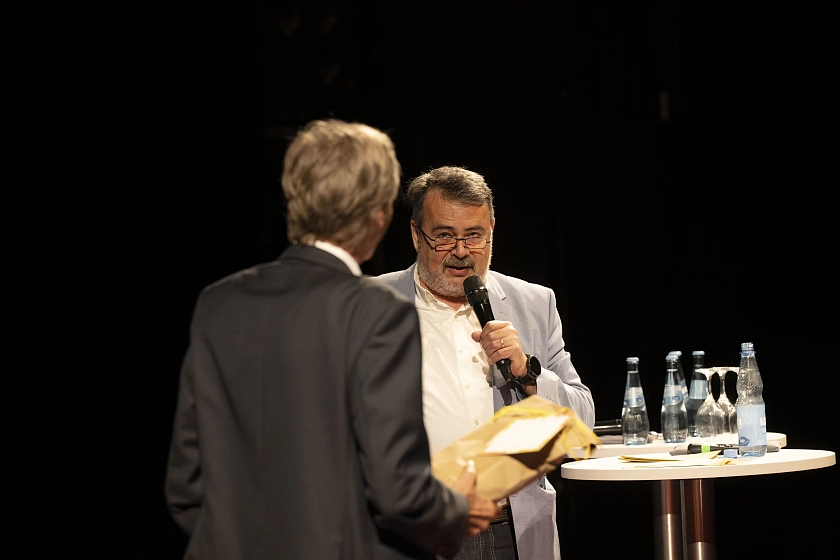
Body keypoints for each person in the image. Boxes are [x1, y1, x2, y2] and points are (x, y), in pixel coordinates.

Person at [164, 121, 500, 560]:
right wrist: (457, 509)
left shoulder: (218, 302)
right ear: (379, 215)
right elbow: (398, 490)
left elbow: (186, 486)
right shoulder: (377, 311)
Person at [376, 166, 595, 560]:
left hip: (515, 530)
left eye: (474, 236)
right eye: (444, 236)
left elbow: (583, 425)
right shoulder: (369, 305)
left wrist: (528, 373)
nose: (461, 252)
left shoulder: (533, 304)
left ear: (492, 229)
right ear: (416, 234)